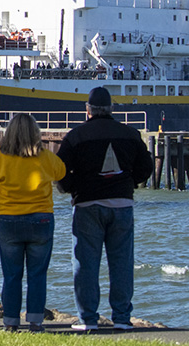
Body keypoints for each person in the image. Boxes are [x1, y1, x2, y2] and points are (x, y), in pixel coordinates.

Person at [57, 87, 154, 331]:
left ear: (87, 110)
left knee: (85, 264)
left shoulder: (75, 136)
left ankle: (88, 319)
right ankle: (122, 318)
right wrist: (130, 184)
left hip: (87, 204)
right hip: (122, 204)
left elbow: (60, 171)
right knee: (122, 263)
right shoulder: (131, 134)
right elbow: (146, 167)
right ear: (111, 109)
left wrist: (73, 189)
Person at [0, 114, 65, 332]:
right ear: (36, 134)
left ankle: (11, 322)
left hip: (9, 219)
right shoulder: (44, 157)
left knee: (12, 275)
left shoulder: (1, 156)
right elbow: (61, 171)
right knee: (37, 274)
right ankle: (35, 321)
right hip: (41, 219)